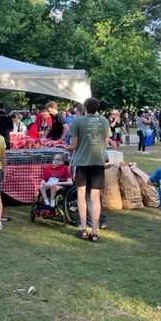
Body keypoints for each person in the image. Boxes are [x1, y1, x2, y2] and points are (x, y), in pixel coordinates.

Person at [68, 97, 110, 242]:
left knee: (81, 195)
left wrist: (67, 147)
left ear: (85, 107)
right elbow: (105, 143)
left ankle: (83, 228)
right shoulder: (104, 121)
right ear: (97, 108)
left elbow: (73, 145)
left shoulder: (78, 121)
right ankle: (95, 231)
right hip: (97, 162)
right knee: (95, 197)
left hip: (81, 162)